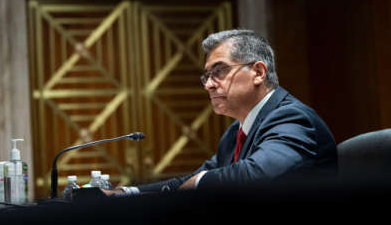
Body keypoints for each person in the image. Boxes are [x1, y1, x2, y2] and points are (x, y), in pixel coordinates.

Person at [103, 29, 338, 195]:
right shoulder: (236, 131)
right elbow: (193, 179)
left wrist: (200, 182)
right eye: (207, 76)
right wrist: (126, 192)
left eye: (220, 71)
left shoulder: (291, 118)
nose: (209, 85)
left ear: (258, 72)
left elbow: (259, 173)